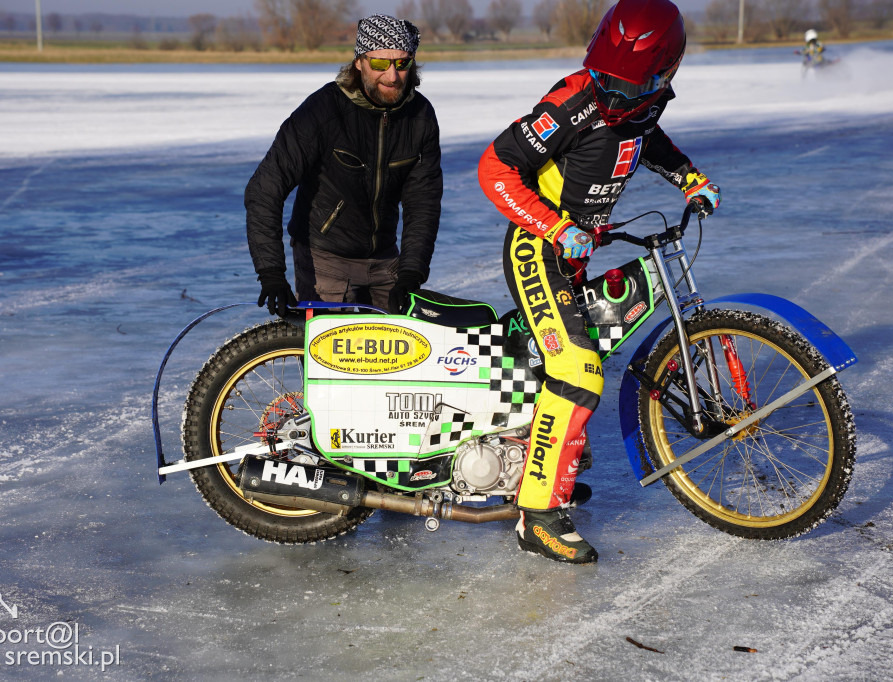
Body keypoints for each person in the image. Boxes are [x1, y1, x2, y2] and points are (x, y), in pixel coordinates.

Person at [477, 0, 720, 564]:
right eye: (605, 80)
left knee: (572, 361)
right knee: (578, 369)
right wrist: (557, 227)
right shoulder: (574, 102)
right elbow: (495, 168)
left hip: (577, 250)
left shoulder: (645, 103)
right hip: (538, 248)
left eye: (628, 88)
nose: (613, 97)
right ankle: (538, 516)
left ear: (664, 75)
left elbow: (645, 136)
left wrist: (689, 178)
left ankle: (540, 463)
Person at [244, 14, 443, 316]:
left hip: (387, 262)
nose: (392, 76)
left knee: (398, 346)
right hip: (325, 260)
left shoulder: (420, 117)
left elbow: (423, 202)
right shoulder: (323, 111)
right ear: (360, 62)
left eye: (402, 63)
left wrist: (411, 272)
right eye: (380, 63)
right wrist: (270, 271)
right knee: (331, 346)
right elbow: (264, 189)